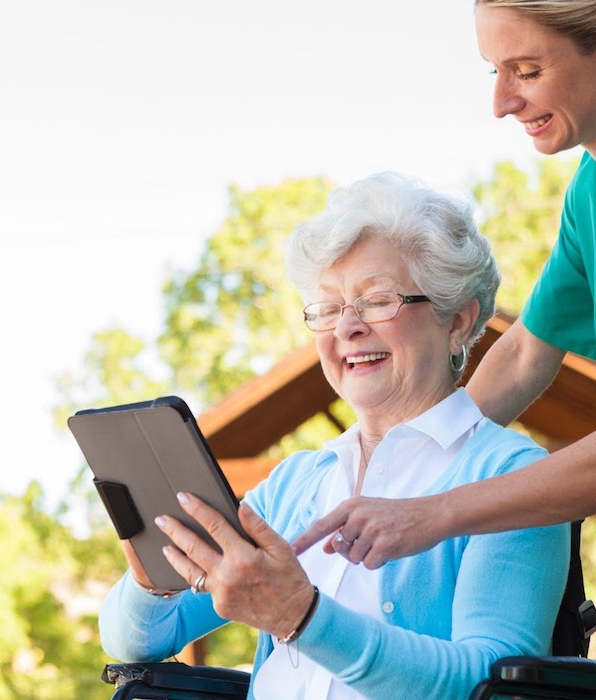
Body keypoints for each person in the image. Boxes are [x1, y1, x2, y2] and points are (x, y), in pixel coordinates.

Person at [292, 2, 596, 698]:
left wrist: (433, 512)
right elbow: (527, 352)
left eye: (527, 71)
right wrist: (401, 460)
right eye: (495, 72)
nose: (500, 101)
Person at [99, 172, 570, 700]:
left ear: (457, 320)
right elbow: (135, 642)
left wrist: (302, 617)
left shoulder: (511, 474)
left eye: (376, 301)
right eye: (328, 308)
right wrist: (149, 575)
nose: (347, 327)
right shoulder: (295, 483)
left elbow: (490, 683)